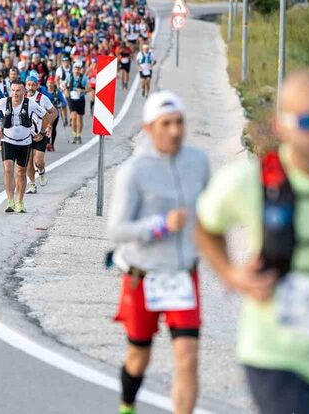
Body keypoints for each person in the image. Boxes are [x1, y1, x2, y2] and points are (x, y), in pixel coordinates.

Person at [195, 71, 309, 414]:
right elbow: (204, 224)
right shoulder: (250, 181)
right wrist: (231, 274)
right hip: (276, 356)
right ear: (280, 126)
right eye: (308, 122)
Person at [107, 91, 209, 414]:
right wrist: (160, 225)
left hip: (182, 275)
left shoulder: (198, 162)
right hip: (142, 276)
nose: (175, 131)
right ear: (150, 128)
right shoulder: (133, 171)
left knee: (188, 357)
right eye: (166, 124)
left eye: (180, 123)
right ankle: (127, 405)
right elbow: (117, 230)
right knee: (139, 356)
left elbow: (212, 212)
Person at [0, 80, 49, 214]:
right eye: (13, 90)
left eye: (18, 90)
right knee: (8, 169)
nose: (15, 93)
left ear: (23, 92)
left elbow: (46, 115)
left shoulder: (30, 104)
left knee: (21, 172)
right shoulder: (3, 102)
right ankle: (10, 201)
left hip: (25, 143)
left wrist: (42, 133)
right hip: (7, 141)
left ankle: (20, 201)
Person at [25, 73, 58, 195]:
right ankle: (32, 185)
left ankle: (41, 170)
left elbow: (54, 112)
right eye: (29, 84)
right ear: (25, 85)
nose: (31, 87)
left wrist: (48, 125)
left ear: (37, 86)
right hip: (26, 134)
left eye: (33, 85)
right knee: (28, 161)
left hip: (40, 133)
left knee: (38, 161)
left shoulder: (42, 98)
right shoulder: (22, 97)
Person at [67, 62, 89, 144]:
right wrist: (66, 92)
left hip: (80, 99)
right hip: (72, 99)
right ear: (73, 69)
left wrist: (82, 90)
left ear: (80, 70)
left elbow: (89, 89)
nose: (77, 71)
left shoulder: (84, 78)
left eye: (78, 69)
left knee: (79, 118)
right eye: (75, 69)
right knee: (74, 117)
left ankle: (79, 136)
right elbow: (65, 86)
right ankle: (74, 136)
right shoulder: (70, 77)